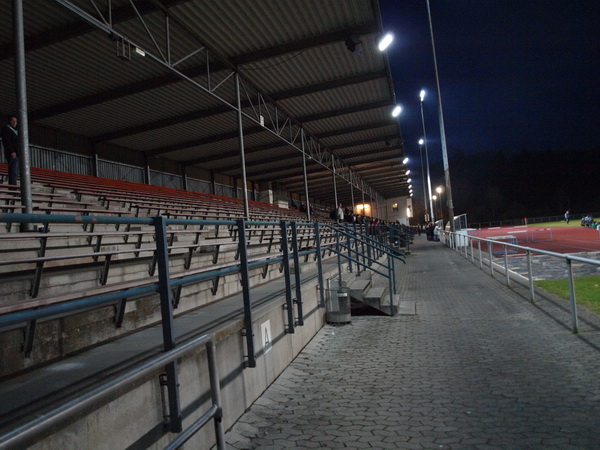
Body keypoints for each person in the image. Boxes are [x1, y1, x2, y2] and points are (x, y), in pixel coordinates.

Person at [2, 116, 19, 185]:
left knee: (16, 172)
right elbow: (6, 141)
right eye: (13, 121)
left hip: (18, 154)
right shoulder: (7, 129)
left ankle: (13, 188)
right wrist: (12, 151)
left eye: (16, 121)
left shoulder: (16, 131)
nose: (14, 122)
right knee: (13, 171)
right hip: (13, 154)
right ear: (9, 121)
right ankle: (13, 190)